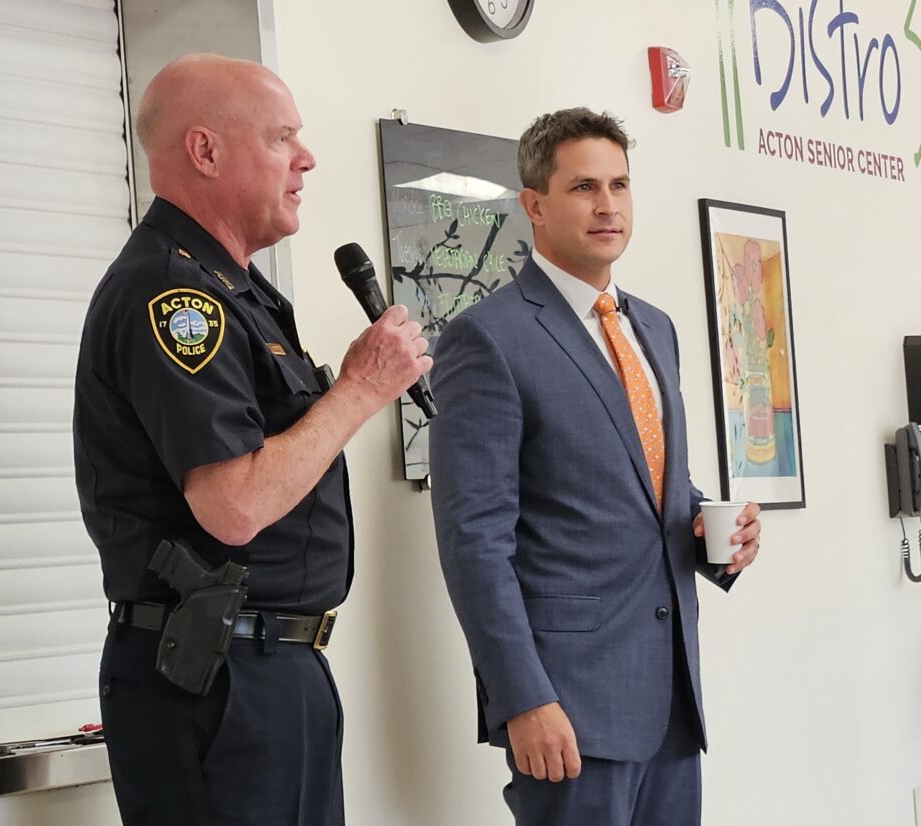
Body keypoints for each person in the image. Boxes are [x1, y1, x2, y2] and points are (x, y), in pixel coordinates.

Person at [73, 54, 431, 826]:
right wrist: (362, 388)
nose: (306, 158)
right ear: (205, 151)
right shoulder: (173, 297)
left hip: (268, 670)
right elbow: (233, 506)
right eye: (281, 138)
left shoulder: (242, 293)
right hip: (213, 681)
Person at [428, 108, 762, 826]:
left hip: (671, 693)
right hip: (568, 705)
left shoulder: (656, 327)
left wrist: (715, 535)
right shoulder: (488, 339)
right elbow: (473, 542)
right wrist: (522, 697)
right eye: (584, 187)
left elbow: (648, 488)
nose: (608, 205)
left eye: (619, 184)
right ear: (535, 205)